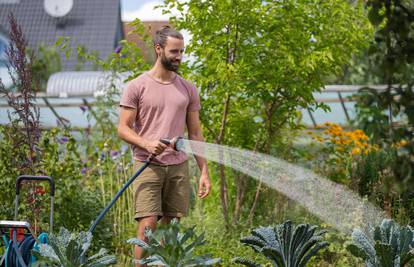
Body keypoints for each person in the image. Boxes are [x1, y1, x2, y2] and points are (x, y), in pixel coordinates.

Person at [117, 25, 211, 266]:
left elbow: (196, 132)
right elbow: (123, 128)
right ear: (158, 49)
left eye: (181, 51)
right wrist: (146, 143)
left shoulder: (188, 88)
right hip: (148, 165)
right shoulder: (137, 86)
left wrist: (204, 171)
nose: (179, 57)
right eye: (174, 51)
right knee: (147, 227)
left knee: (170, 229)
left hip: (178, 166)